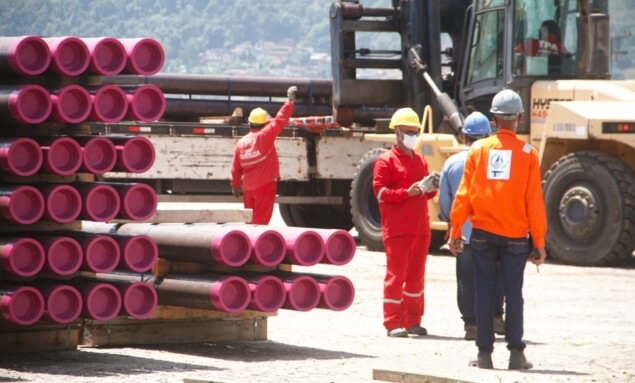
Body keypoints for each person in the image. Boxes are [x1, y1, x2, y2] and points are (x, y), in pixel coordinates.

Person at [448, 89, 547, 370]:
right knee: (513, 294)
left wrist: (456, 232)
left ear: (494, 118)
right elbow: (534, 203)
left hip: (482, 236)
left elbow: (464, 195)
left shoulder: (478, 150)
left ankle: (484, 355)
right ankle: (516, 354)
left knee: (484, 291)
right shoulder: (529, 153)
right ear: (519, 118)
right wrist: (538, 242)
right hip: (516, 239)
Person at [438, 111, 505, 341]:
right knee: (495, 276)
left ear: (464, 136)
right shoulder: (497, 161)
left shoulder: (451, 163)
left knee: (466, 280)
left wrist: (450, 220)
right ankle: (496, 318)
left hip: (463, 233)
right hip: (492, 230)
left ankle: (471, 325)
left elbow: (446, 200)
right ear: (488, 134)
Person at [372, 107, 438, 338]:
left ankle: (413, 321)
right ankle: (393, 322)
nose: (413, 135)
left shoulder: (419, 160)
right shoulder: (385, 161)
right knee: (396, 276)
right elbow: (380, 193)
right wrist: (405, 193)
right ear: (397, 133)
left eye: (415, 131)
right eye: (408, 131)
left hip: (420, 229)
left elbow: (425, 195)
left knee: (415, 278)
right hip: (398, 229)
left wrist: (432, 187)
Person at [230, 86, 297, 224]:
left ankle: (247, 243)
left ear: (249, 123)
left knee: (249, 220)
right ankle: (256, 245)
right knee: (261, 221)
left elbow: (235, 169)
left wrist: (236, 185)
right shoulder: (265, 136)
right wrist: (289, 102)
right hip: (265, 186)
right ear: (265, 123)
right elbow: (280, 119)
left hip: (248, 188)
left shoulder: (241, 143)